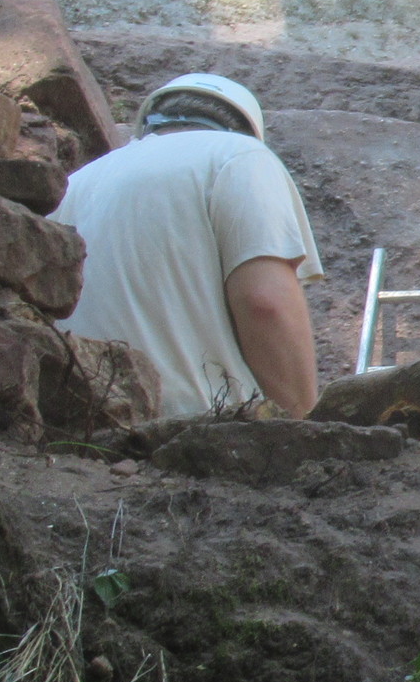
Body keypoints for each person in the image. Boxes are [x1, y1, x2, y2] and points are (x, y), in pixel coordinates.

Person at [54, 73, 325, 421]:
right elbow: (265, 303)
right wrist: (304, 422)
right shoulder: (239, 156)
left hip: (76, 429)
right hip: (198, 432)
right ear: (246, 129)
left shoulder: (71, 186)